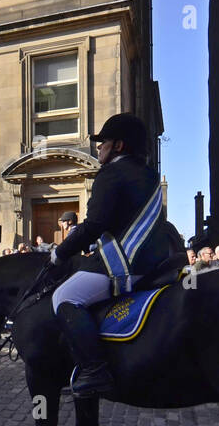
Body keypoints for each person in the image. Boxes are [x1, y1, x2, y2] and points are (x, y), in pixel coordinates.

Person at [48, 112, 168, 399]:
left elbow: (95, 225)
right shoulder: (150, 175)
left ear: (119, 146)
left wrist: (60, 252)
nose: (98, 147)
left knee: (64, 298)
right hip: (155, 263)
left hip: (127, 263)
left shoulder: (112, 174)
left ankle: (94, 369)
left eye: (104, 142)